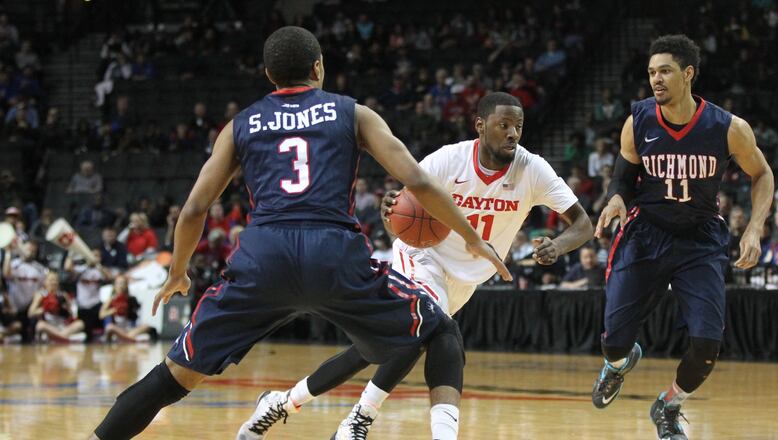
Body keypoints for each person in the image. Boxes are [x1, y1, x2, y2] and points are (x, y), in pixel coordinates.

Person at [89, 26, 509, 440]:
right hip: (334, 255)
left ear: (270, 75)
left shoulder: (241, 124)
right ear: (318, 66)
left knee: (172, 377)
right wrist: (470, 236)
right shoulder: (353, 113)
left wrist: (178, 271)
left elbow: (195, 208)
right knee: (439, 329)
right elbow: (417, 181)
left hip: (263, 259)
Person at [241, 92, 593, 440]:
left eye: (518, 126)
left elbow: (582, 224)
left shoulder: (533, 169)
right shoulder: (448, 160)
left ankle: (283, 402)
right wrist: (389, 211)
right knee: (437, 333)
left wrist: (558, 246)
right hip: (422, 255)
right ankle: (360, 419)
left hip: (465, 278)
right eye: (504, 125)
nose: (513, 133)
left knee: (389, 344)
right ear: (480, 126)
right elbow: (402, 204)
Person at [592, 35, 773, 440]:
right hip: (645, 233)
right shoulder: (638, 120)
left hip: (700, 238)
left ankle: (668, 406)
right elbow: (623, 177)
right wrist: (617, 199)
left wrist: (755, 227)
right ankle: (618, 365)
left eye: (665, 71)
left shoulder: (728, 127)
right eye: (652, 72)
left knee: (708, 345)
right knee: (615, 344)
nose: (656, 79)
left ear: (688, 73)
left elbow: (762, 174)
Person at [28, 272, 86, 343]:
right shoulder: (41, 295)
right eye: (51, 280)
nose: (53, 282)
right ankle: (65, 338)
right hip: (49, 326)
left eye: (55, 280)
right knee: (40, 326)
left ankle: (58, 337)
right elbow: (30, 313)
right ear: (45, 282)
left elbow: (71, 313)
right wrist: (45, 309)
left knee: (80, 324)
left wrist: (62, 308)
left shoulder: (63, 295)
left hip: (63, 326)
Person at [100, 275, 152, 342]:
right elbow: (101, 315)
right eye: (118, 283)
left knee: (146, 326)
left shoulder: (131, 299)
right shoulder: (110, 300)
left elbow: (135, 316)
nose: (121, 286)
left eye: (123, 283)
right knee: (109, 328)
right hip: (116, 328)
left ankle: (125, 338)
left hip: (128, 328)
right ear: (114, 286)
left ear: (126, 285)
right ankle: (132, 339)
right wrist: (113, 311)